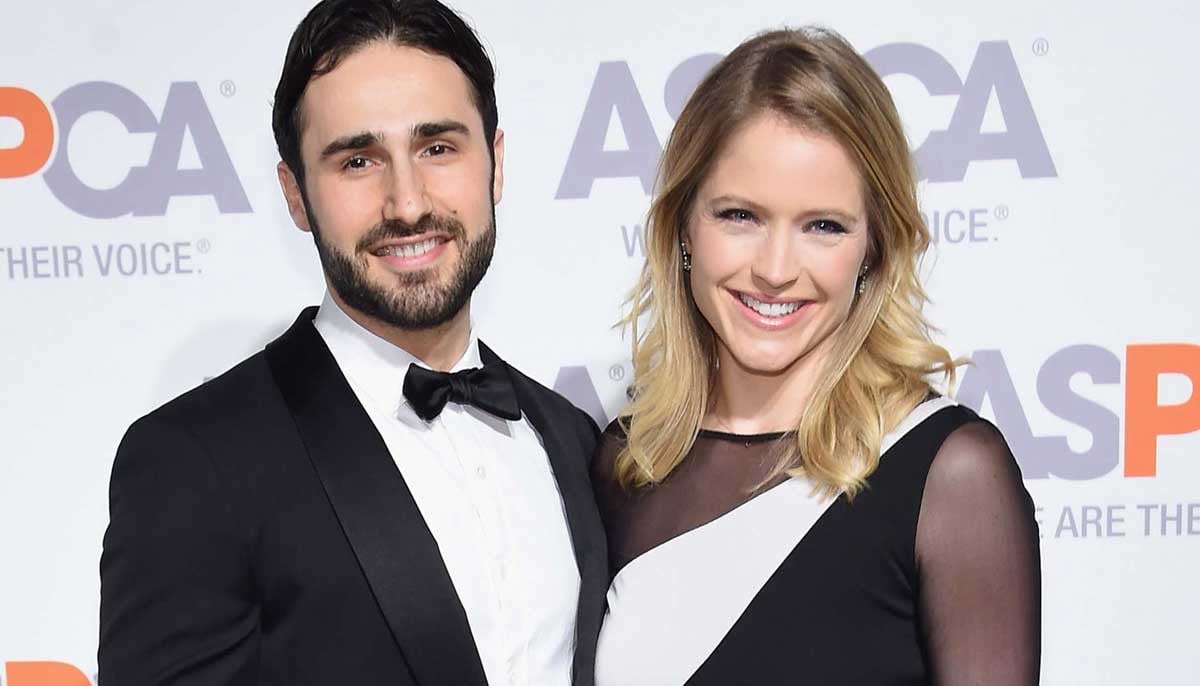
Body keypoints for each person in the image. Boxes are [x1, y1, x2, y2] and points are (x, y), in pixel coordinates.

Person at [98, 1, 607, 684]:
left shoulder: (571, 439)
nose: (408, 203)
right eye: (358, 160)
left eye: (437, 148)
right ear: (296, 195)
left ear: (496, 163)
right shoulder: (196, 463)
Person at [592, 27, 1040, 685]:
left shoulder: (950, 476)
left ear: (874, 249)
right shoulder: (627, 463)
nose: (775, 270)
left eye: (823, 226)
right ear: (684, 227)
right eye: (739, 215)